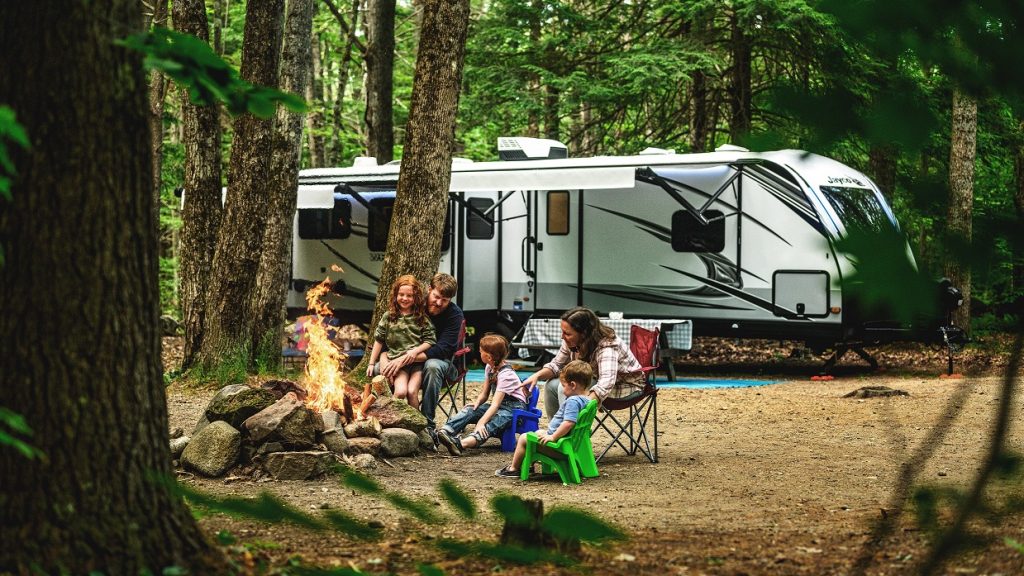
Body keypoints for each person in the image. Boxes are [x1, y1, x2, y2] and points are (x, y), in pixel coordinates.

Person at [377, 273, 463, 441]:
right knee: (377, 369)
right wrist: (384, 359)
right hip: (409, 364)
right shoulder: (414, 306)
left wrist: (402, 359)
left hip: (446, 364)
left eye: (444, 300)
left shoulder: (454, 315)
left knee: (432, 365)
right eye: (436, 297)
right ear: (429, 290)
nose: (439, 303)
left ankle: (427, 425)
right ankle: (387, 420)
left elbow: (442, 350)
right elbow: (391, 338)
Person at [522, 306, 644, 419]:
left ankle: (570, 433)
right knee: (551, 385)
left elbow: (606, 382)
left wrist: (582, 406)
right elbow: (557, 365)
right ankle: (556, 431)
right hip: (595, 379)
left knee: (567, 386)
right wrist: (536, 376)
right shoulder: (572, 341)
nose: (562, 337)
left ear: (584, 334)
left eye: (567, 333)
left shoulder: (607, 346)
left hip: (624, 386)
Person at [495, 359, 594, 478]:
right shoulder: (588, 400)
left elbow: (568, 423)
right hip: (570, 442)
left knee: (523, 438)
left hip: (559, 447)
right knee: (537, 432)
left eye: (563, 386)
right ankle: (528, 465)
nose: (562, 389)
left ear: (573, 385)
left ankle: (514, 469)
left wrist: (553, 437)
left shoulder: (573, 401)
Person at [436, 334, 529, 456]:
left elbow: (495, 405)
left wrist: (481, 423)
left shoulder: (506, 375)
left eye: (481, 352)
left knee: (491, 424)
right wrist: (477, 404)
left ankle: (461, 444)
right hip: (500, 406)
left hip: (514, 411)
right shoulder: (489, 368)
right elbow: (484, 394)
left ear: (489, 357)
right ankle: (446, 431)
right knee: (470, 409)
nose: (479, 353)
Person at [365, 274, 436, 410]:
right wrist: (371, 363)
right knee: (400, 392)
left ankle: (417, 427)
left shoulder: (421, 318)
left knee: (412, 392)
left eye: (409, 296)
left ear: (416, 297)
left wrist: (415, 351)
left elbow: (430, 341)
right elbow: (379, 340)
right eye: (401, 294)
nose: (404, 298)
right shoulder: (389, 316)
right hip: (398, 364)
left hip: (417, 364)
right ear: (395, 295)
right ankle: (391, 418)